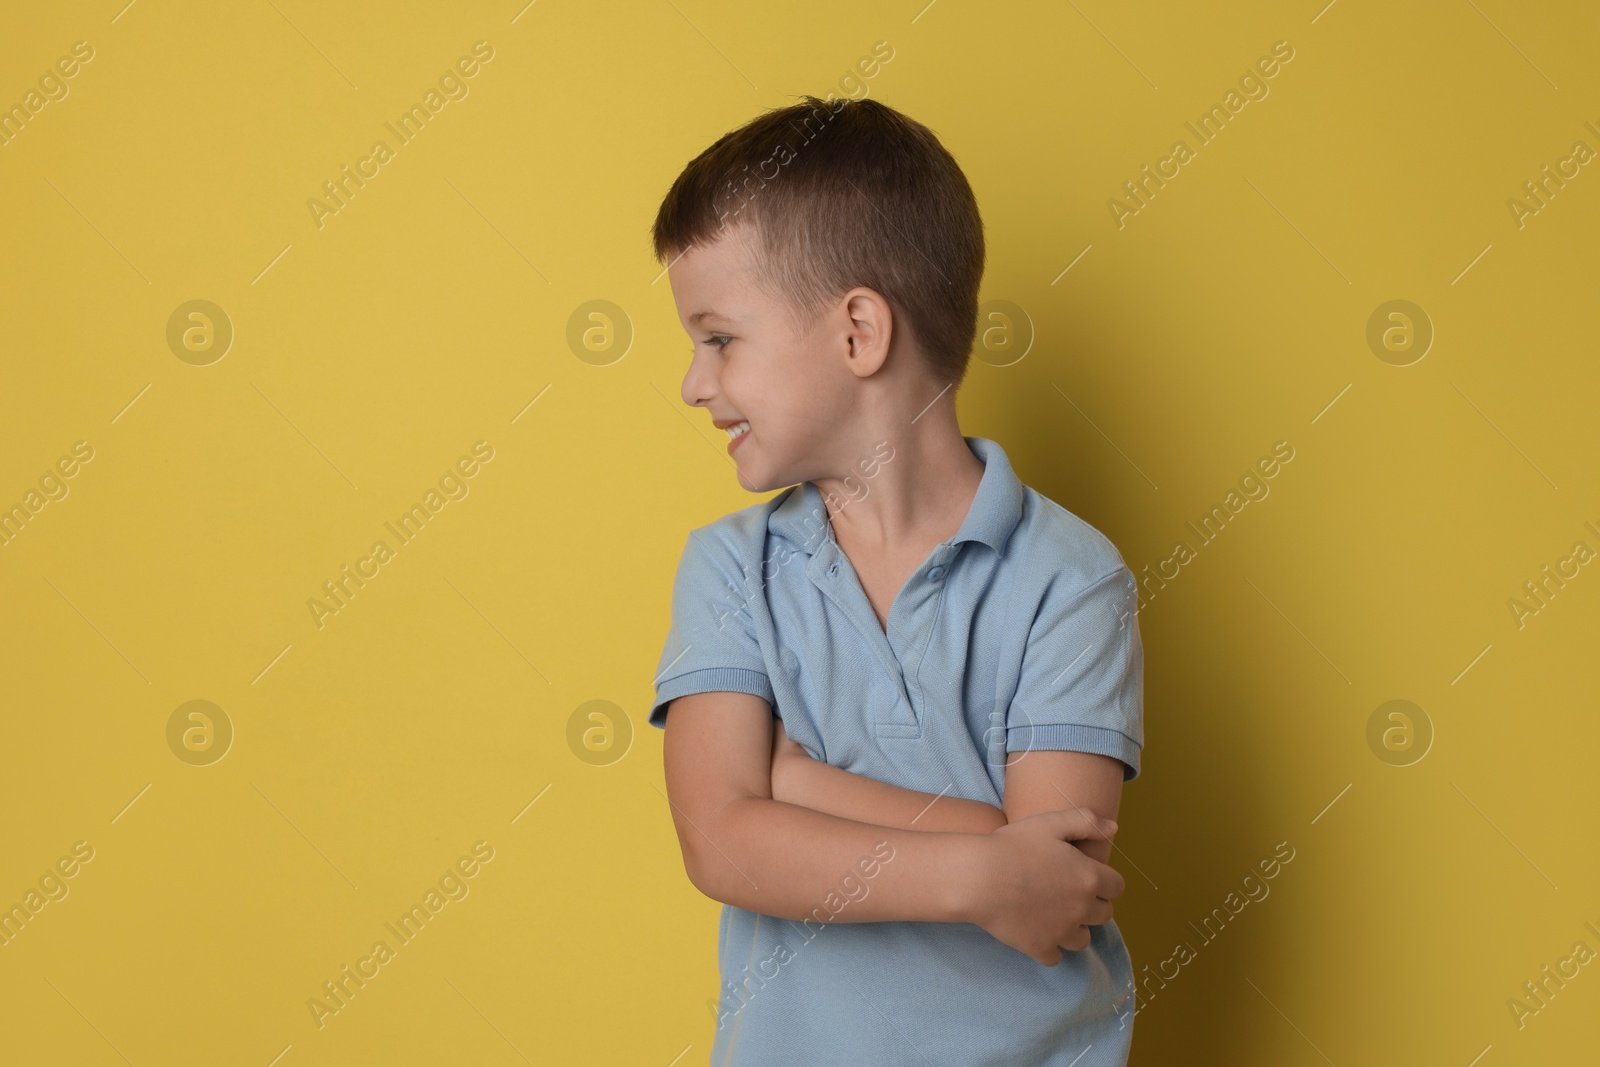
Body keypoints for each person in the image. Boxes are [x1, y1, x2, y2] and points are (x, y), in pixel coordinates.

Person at [647, 94, 1145, 1066]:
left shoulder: (1072, 579)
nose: (693, 382)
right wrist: (980, 860)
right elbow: (722, 843)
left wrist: (791, 781)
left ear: (857, 332)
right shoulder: (728, 567)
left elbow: (1053, 882)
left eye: (718, 338)